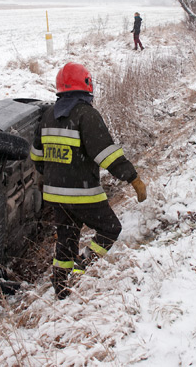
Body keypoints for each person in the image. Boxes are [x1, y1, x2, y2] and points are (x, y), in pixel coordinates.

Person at [30, 62, 148, 299]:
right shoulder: (87, 115)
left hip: (55, 194)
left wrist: (55, 176)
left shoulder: (48, 116)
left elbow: (37, 157)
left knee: (66, 239)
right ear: (86, 86)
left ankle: (61, 287)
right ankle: (82, 265)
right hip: (82, 193)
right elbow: (106, 154)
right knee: (110, 228)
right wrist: (133, 178)